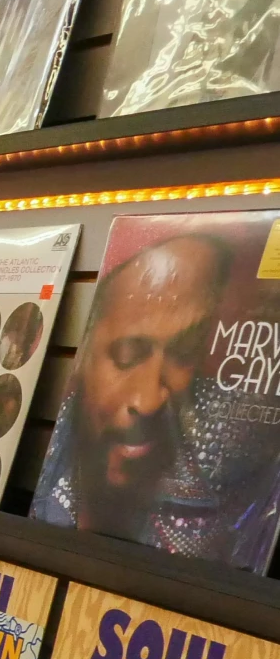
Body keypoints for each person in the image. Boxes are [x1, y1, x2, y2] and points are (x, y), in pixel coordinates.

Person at [36, 229, 280, 564]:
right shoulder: (51, 479)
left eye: (184, 351)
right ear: (83, 357)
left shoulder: (240, 464)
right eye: (127, 354)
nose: (149, 400)